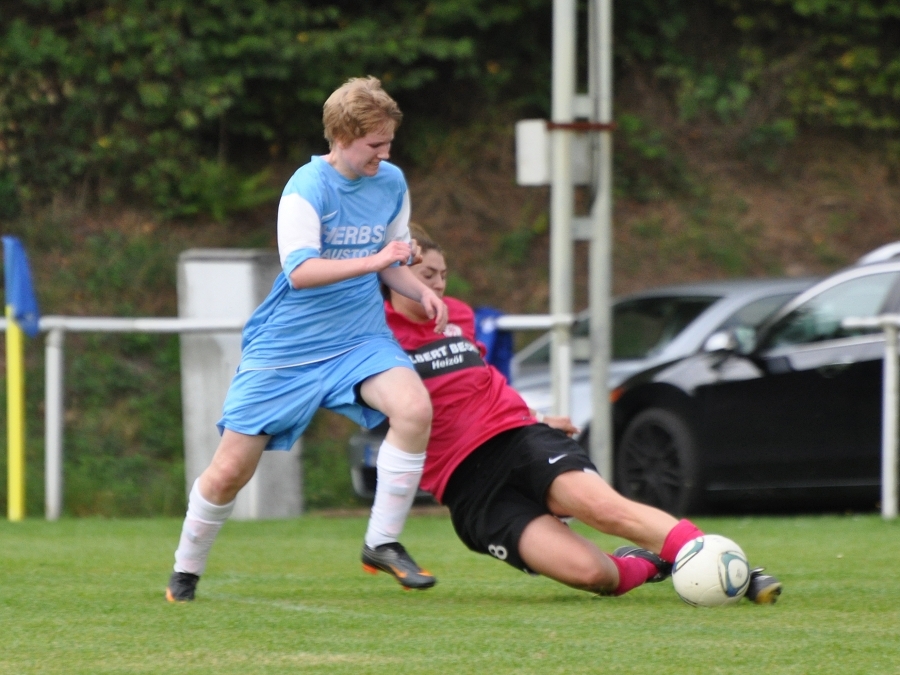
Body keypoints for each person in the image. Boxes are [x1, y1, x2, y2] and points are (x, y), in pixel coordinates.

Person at [383, 227, 783, 602]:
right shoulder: (376, 333)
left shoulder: (458, 316)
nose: (436, 285)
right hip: (466, 486)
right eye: (427, 274)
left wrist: (535, 417)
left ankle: (736, 571)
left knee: (604, 509)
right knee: (593, 575)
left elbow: (479, 382)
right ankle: (652, 561)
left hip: (517, 439)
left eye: (443, 275)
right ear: (397, 275)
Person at [166, 77, 448, 602]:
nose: (385, 155)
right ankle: (185, 571)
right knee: (229, 473)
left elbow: (391, 261)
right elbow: (300, 272)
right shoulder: (305, 188)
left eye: (389, 144)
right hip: (288, 348)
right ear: (341, 137)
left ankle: (382, 542)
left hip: (360, 337)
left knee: (413, 409)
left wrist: (420, 291)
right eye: (375, 145)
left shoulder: (390, 182)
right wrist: (381, 261)